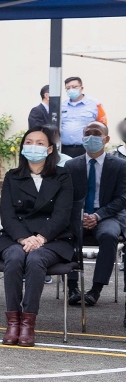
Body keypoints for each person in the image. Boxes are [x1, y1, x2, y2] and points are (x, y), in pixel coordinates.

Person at [0, 127, 75, 346]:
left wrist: (41, 238)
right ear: (22, 147)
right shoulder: (12, 176)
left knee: (36, 259)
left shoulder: (62, 176)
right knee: (14, 257)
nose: (33, 147)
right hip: (17, 237)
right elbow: (7, 214)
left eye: (40, 143)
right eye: (29, 142)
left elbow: (62, 214)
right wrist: (24, 238)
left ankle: (28, 323)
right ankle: (13, 322)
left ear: (49, 149)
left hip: (53, 238)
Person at [63, 121, 126, 307]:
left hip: (108, 215)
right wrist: (80, 215)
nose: (91, 137)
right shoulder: (71, 165)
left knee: (109, 235)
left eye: (96, 133)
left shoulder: (120, 166)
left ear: (106, 139)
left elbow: (122, 198)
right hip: (79, 215)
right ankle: (72, 288)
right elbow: (66, 196)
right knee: (67, 234)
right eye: (87, 133)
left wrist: (98, 216)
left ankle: (95, 290)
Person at [59, 77, 109, 158]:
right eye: (68, 88)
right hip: (64, 148)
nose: (71, 90)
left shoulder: (95, 104)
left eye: (74, 87)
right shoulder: (61, 105)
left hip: (87, 148)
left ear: (81, 88)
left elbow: (103, 126)